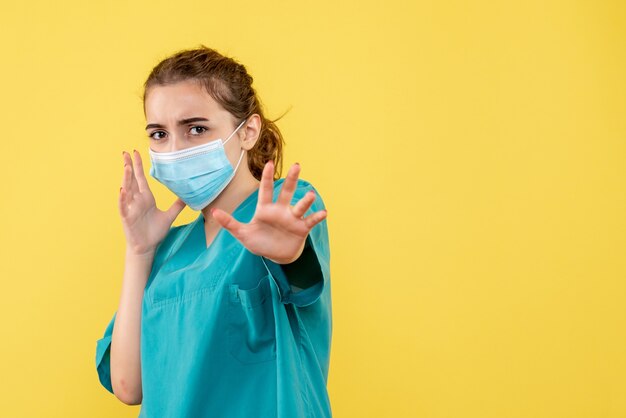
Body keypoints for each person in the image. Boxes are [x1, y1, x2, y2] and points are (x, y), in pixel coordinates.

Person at [94, 46, 332, 418]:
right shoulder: (168, 249)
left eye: (196, 129)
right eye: (159, 134)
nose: (175, 149)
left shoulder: (287, 209)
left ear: (248, 131)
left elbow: (301, 276)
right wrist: (139, 250)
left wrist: (289, 256)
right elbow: (129, 386)